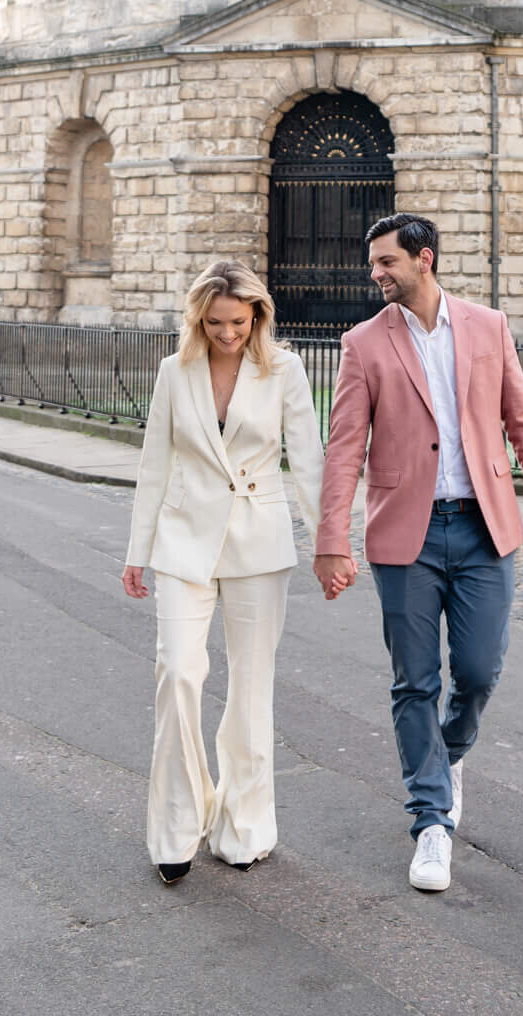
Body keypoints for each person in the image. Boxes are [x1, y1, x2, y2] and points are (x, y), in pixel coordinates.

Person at [314, 212, 523, 894]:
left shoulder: (487, 327)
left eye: (386, 262)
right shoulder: (363, 343)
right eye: (373, 262)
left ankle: (447, 754)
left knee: (480, 672)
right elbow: (343, 450)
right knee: (414, 680)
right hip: (407, 534)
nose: (375, 273)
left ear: (423, 259)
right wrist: (331, 537)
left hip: (484, 529)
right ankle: (430, 819)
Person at [122, 259, 324, 884]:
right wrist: (137, 550)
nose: (227, 334)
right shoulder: (173, 372)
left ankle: (243, 825)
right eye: (214, 323)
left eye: (237, 321)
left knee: (250, 688)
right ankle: (177, 827)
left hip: (258, 542)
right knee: (178, 674)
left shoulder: (284, 370)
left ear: (256, 316)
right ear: (198, 319)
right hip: (183, 540)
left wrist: (329, 546)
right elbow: (155, 462)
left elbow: (309, 462)